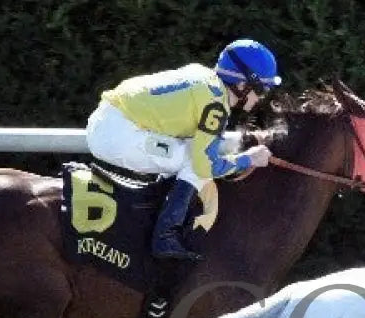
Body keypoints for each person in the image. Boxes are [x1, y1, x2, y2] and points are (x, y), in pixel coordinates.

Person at [84, 39, 281, 260]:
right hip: (117, 134)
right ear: (243, 85)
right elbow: (205, 165)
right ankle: (164, 236)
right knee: (197, 164)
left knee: (190, 153)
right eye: (262, 89)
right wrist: (248, 159)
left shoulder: (204, 77)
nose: (262, 98)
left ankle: (157, 215)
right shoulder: (216, 104)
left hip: (110, 120)